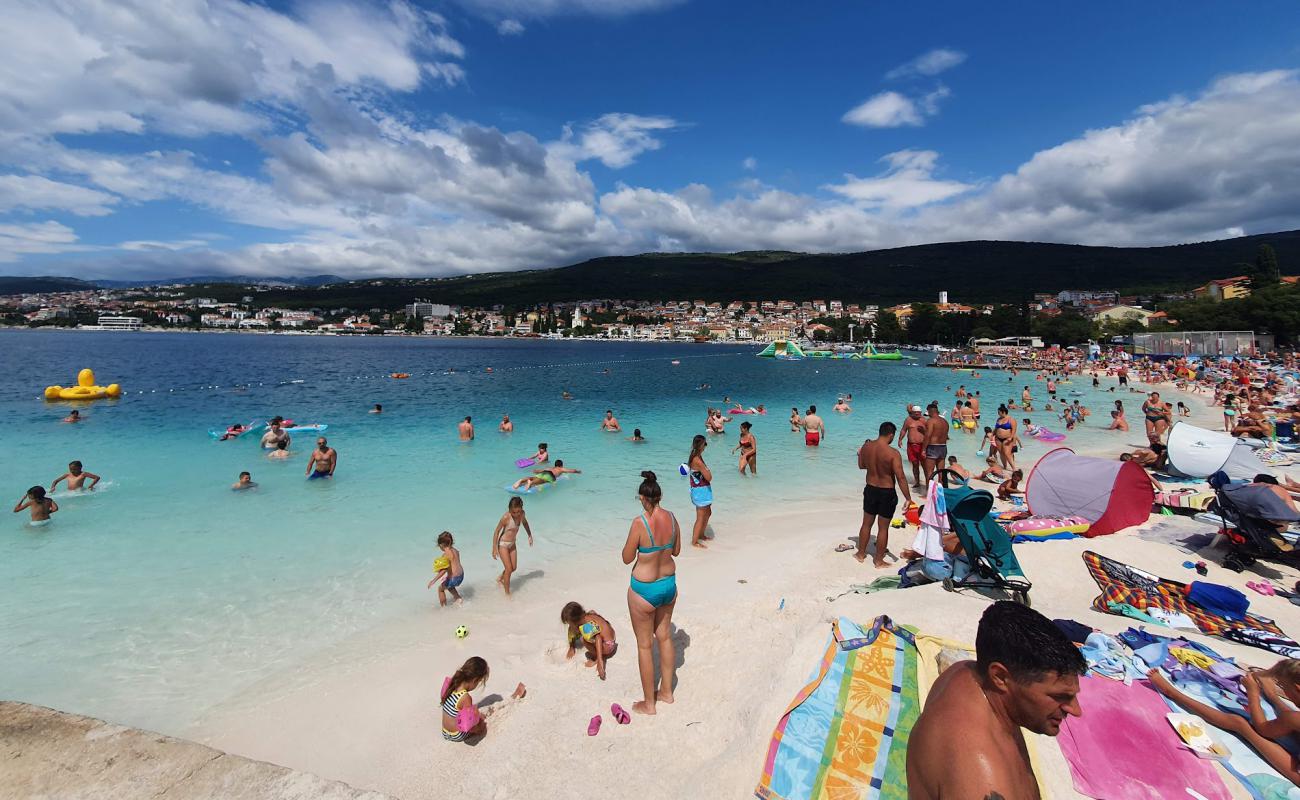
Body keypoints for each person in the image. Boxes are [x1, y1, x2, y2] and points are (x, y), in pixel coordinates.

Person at [906, 601, 1084, 800]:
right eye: (1059, 697)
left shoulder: (964, 671)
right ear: (999, 677)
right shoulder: (982, 780)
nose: (1076, 710)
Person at [1148, 661, 1300, 788]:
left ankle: (1172, 692)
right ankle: (1273, 697)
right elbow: (1289, 716)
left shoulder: (1294, 718)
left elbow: (1263, 728)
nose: (1284, 692)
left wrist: (1253, 693)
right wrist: (1273, 696)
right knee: (1286, 717)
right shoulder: (1293, 716)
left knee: (1240, 724)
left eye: (1284, 688)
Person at [621, 471, 680, 715]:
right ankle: (666, 692)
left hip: (644, 590)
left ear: (643, 498)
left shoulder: (639, 522)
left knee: (645, 646)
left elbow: (626, 558)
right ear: (660, 496)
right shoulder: (673, 518)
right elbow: (676, 551)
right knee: (664, 637)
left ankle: (649, 704)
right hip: (668, 584)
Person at [857, 421, 914, 568]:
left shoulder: (866, 447)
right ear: (891, 435)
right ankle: (878, 561)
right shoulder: (893, 453)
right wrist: (908, 498)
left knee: (866, 523)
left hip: (870, 489)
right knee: (883, 528)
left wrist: (860, 454)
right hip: (886, 492)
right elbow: (900, 477)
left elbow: (862, 466)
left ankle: (860, 554)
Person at [561, 602, 617, 681]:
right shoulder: (588, 615)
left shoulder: (586, 625)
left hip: (608, 646)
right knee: (585, 633)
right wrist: (572, 646)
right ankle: (599, 654)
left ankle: (596, 657)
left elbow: (598, 638)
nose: (569, 626)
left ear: (576, 620)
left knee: (584, 639)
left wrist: (600, 662)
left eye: (569, 623)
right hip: (612, 638)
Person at [440, 657, 488, 742]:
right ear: (474, 680)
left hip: (444, 732)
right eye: (479, 682)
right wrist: (479, 727)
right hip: (456, 735)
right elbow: (468, 724)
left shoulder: (452, 684)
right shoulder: (465, 698)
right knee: (481, 720)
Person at [491, 496, 533, 596]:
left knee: (513, 568)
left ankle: (501, 578)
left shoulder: (522, 514)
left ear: (521, 509)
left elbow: (525, 523)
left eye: (518, 511)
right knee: (509, 569)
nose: (516, 514)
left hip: (512, 543)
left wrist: (529, 535)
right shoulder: (506, 518)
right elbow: (496, 531)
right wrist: (494, 548)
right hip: (503, 544)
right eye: (514, 512)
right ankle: (507, 593)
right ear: (509, 510)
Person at [686, 435, 713, 548]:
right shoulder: (697, 459)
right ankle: (694, 541)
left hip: (702, 489)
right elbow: (709, 477)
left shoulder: (697, 456)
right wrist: (707, 470)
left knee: (708, 513)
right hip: (700, 491)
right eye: (704, 444)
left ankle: (701, 535)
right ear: (700, 445)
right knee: (700, 517)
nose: (705, 446)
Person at [428, 531, 464, 606]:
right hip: (461, 575)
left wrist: (433, 580)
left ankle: (443, 608)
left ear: (441, 545)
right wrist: (448, 576)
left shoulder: (445, 555)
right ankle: (458, 599)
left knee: (440, 589)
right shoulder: (455, 551)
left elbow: (444, 570)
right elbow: (454, 565)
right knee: (449, 586)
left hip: (454, 579)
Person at [898, 405, 927, 489]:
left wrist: (924, 431)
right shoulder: (908, 420)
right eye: (915, 413)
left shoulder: (924, 420)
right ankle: (917, 481)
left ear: (921, 413)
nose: (917, 414)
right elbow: (904, 430)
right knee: (914, 464)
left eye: (919, 413)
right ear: (912, 413)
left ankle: (927, 482)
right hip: (911, 445)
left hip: (922, 445)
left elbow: (929, 432)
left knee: (925, 465)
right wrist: (900, 439)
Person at [511, 460, 581, 491]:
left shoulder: (551, 467)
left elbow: (541, 470)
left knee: (534, 477)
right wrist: (578, 471)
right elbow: (572, 471)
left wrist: (536, 471)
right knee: (542, 481)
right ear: (561, 465)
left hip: (545, 471)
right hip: (550, 476)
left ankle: (521, 481)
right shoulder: (561, 468)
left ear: (555, 465)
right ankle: (531, 483)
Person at [922, 403, 949, 482]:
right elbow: (946, 436)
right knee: (941, 472)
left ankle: (929, 493)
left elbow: (928, 436)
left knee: (929, 472)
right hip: (943, 447)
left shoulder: (931, 421)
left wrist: (923, 449)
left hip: (933, 447)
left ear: (929, 411)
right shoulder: (945, 422)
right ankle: (941, 491)